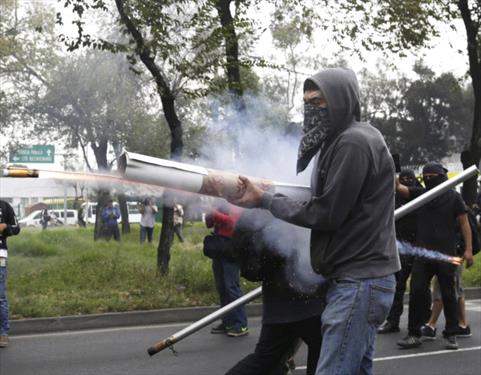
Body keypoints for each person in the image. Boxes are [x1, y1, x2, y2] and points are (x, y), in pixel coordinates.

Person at [230, 67, 400, 375]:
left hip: (359, 282)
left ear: (342, 100)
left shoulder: (353, 142)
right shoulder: (339, 142)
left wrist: (265, 201)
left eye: (319, 102)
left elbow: (326, 213)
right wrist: (269, 194)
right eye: (307, 102)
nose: (312, 109)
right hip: (355, 280)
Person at [223, 209, 325, 375]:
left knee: (264, 360)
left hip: (277, 300)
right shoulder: (285, 205)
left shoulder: (260, 210)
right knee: (324, 353)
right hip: (308, 297)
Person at [396, 162, 474, 350]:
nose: (429, 180)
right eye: (426, 177)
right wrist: (392, 169)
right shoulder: (422, 195)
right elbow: (399, 188)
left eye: (433, 176)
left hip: (446, 255)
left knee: (449, 294)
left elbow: (464, 224)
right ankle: (414, 334)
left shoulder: (453, 197)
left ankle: (451, 334)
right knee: (416, 291)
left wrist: (468, 250)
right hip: (423, 256)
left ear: (441, 176)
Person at [378, 169, 420, 334]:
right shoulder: (392, 197)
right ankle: (392, 321)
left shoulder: (419, 193)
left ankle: (421, 322)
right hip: (398, 249)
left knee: (418, 288)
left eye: (410, 179)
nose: (407, 181)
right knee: (397, 287)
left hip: (419, 248)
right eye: (404, 178)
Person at [205, 202, 248, 337]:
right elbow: (210, 225)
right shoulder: (221, 204)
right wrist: (209, 214)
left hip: (232, 249)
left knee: (231, 287)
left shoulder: (236, 204)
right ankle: (227, 321)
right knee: (222, 287)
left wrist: (214, 211)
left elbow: (231, 221)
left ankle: (240, 324)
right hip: (220, 248)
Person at [0, 200, 21, 348]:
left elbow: (16, 228)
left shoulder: (4, 206)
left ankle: (3, 333)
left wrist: (5, 226)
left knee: (0, 297)